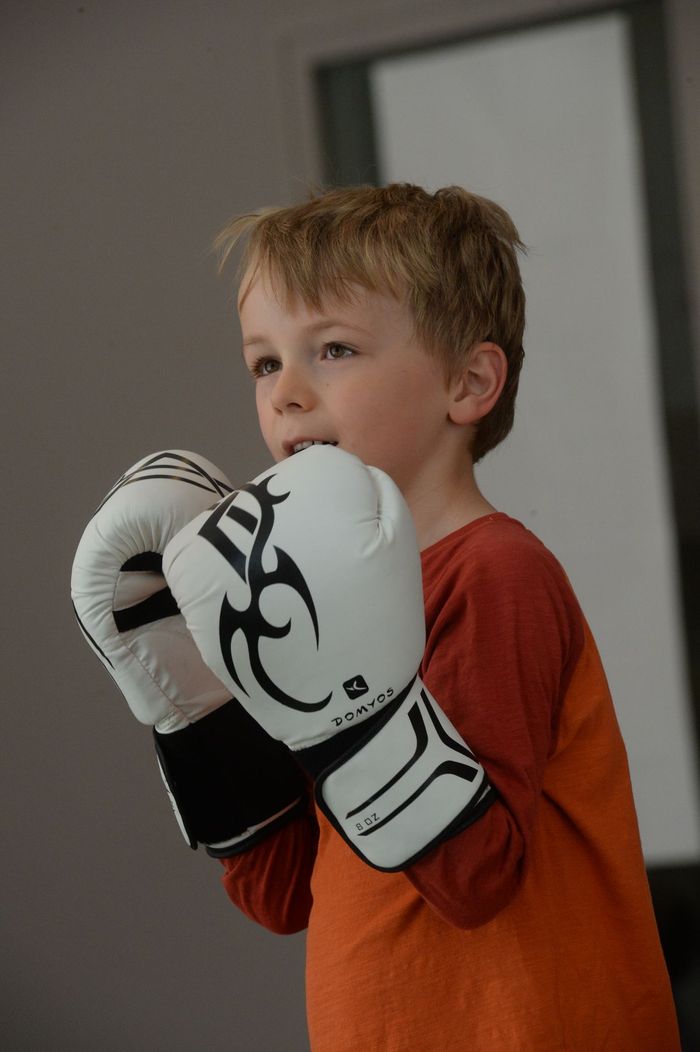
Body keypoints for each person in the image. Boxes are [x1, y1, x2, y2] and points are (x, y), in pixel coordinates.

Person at [72, 183, 680, 1050]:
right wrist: (192, 702)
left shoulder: (495, 572)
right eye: (264, 362)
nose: (286, 393)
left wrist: (345, 710)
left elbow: (474, 880)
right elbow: (284, 896)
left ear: (468, 382)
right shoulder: (305, 598)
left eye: (335, 349)